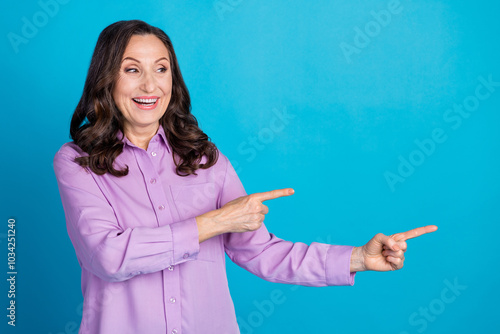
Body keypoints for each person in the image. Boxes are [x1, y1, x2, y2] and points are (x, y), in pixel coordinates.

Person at [53, 20, 437, 334]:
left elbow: (262, 251)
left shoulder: (205, 158)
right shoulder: (77, 162)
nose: (150, 86)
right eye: (132, 69)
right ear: (107, 78)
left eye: (161, 69)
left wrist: (358, 259)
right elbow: (107, 256)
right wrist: (214, 221)